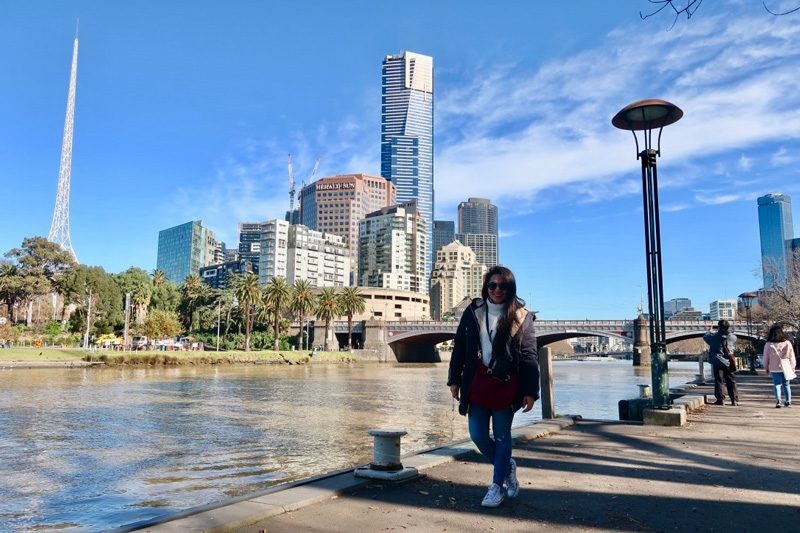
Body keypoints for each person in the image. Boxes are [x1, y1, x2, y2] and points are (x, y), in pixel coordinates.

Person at [447, 266, 540, 508]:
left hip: (506, 385)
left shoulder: (522, 316)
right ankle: (507, 465)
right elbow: (459, 346)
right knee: (477, 435)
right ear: (486, 287)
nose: (497, 290)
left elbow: (530, 355)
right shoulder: (473, 311)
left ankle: (496, 486)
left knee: (502, 436)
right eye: (493, 285)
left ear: (511, 288)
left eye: (503, 286)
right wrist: (454, 379)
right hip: (477, 382)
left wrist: (531, 391)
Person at [703, 319, 739, 406]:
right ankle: (734, 400)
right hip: (729, 362)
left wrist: (710, 330)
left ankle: (720, 399)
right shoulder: (732, 337)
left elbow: (706, 337)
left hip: (717, 362)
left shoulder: (714, 337)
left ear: (719, 327)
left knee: (719, 381)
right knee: (731, 381)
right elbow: (734, 338)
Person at [762, 324, 796, 408]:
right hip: (786, 366)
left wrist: (766, 367)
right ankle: (788, 401)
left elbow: (765, 357)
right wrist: (793, 367)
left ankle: (778, 401)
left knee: (777, 384)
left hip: (774, 367)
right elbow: (792, 356)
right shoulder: (787, 343)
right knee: (786, 385)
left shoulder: (768, 344)